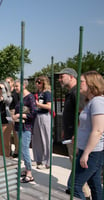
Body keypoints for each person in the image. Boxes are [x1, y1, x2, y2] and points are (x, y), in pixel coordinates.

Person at [57, 68, 91, 198]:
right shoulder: (72, 92)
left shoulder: (77, 92)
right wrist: (65, 130)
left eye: (62, 76)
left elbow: (82, 113)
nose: (60, 79)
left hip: (76, 136)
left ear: (71, 77)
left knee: (77, 165)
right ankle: (72, 187)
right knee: (74, 162)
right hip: (71, 133)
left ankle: (85, 194)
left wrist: (76, 133)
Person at [70, 71, 104, 200]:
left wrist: (86, 153)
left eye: (82, 82)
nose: (79, 84)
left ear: (92, 83)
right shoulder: (91, 102)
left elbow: (98, 130)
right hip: (89, 150)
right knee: (94, 184)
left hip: (93, 151)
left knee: (75, 186)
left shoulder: (98, 102)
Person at [12, 79, 37, 183]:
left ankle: (29, 173)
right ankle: (27, 169)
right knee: (22, 149)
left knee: (25, 149)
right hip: (19, 126)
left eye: (17, 86)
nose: (15, 88)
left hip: (26, 128)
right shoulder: (20, 97)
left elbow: (34, 113)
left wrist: (21, 115)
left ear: (23, 86)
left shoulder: (30, 97)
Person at [32, 76, 52, 169]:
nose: (37, 84)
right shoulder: (38, 93)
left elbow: (49, 106)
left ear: (44, 83)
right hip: (37, 115)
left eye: (39, 82)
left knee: (46, 139)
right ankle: (38, 159)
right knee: (37, 139)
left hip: (44, 116)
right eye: (36, 82)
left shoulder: (47, 93)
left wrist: (38, 104)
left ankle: (47, 161)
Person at [6, 76, 20, 158]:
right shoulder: (5, 93)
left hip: (14, 112)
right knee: (7, 133)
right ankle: (8, 150)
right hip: (7, 112)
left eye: (8, 82)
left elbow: (18, 104)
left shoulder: (15, 92)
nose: (7, 84)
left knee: (15, 133)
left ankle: (16, 151)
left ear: (12, 83)